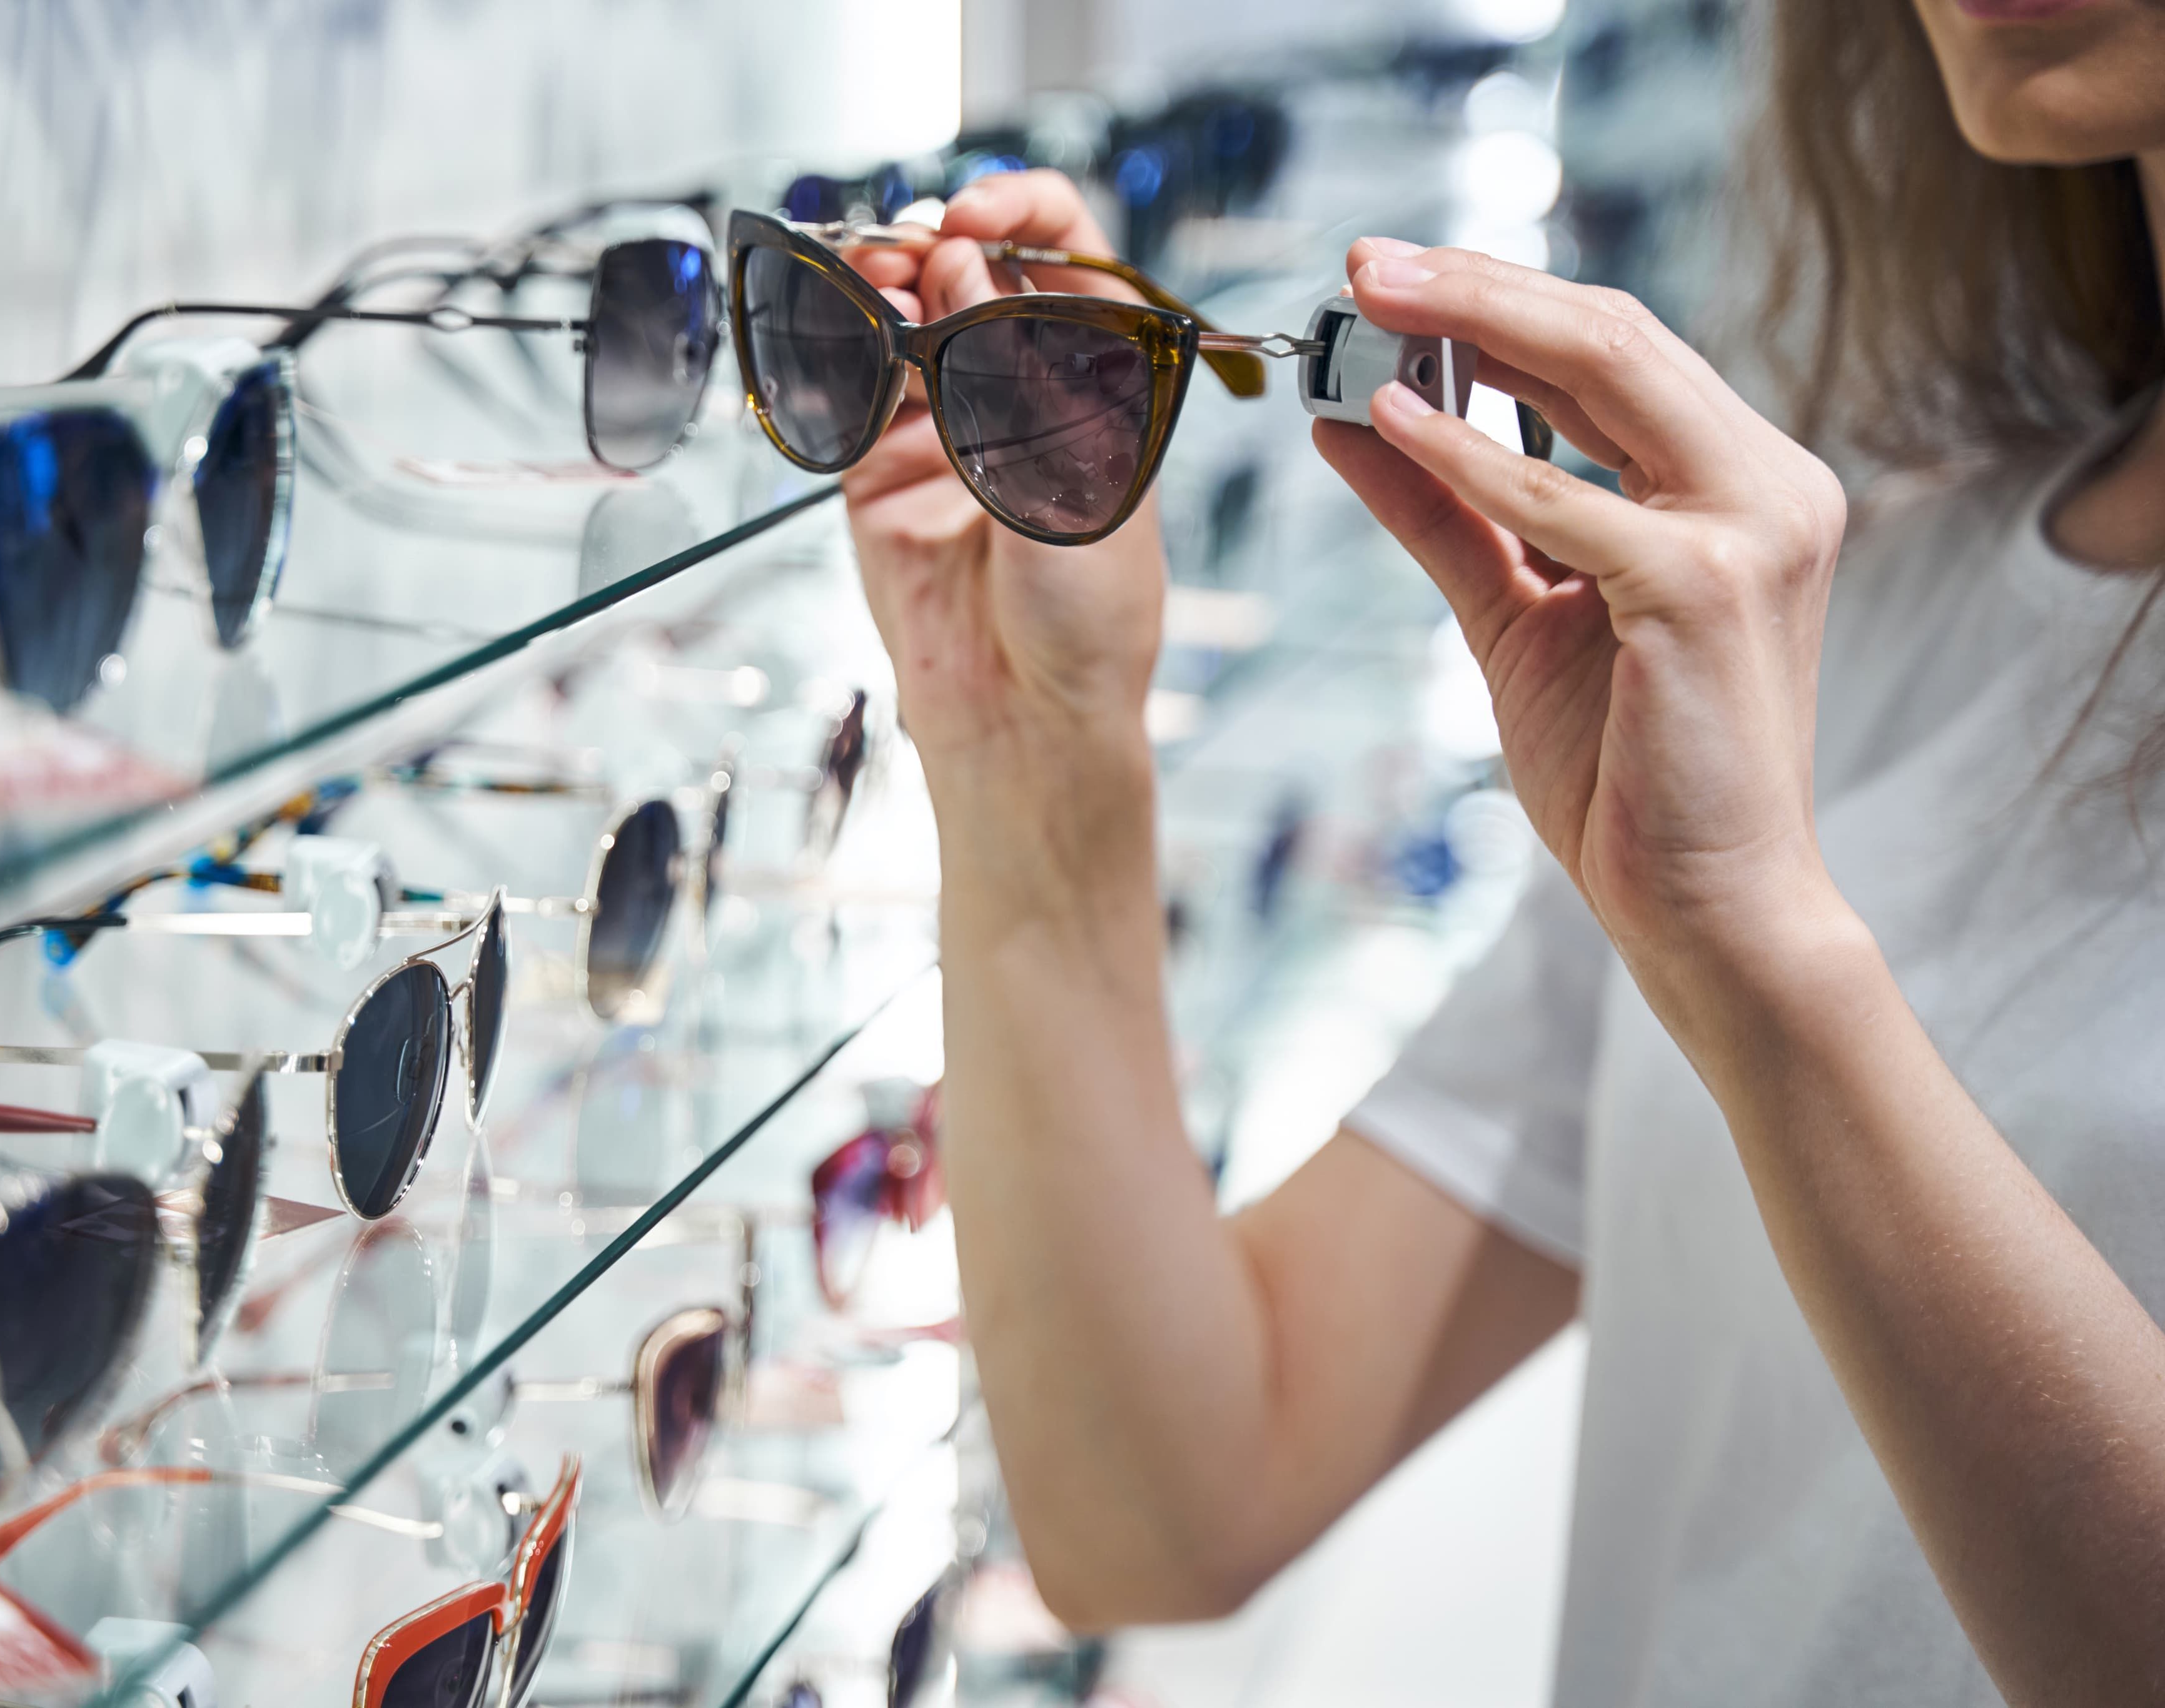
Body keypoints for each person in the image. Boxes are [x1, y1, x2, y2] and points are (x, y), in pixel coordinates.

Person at [832, 1, 2165, 1701]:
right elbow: (1163, 1491)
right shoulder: (1865, 615)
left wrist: (1762, 967)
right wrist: (1033, 744)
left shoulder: (1780, 688)